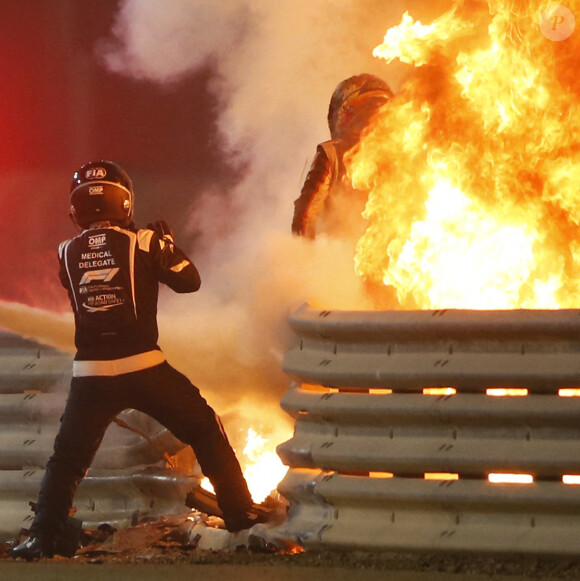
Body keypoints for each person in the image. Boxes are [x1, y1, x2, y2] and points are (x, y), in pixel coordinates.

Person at [10, 160, 262, 560]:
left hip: (89, 374)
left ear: (76, 208)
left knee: (67, 461)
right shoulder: (145, 241)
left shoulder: (65, 251)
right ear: (124, 201)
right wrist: (167, 244)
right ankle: (241, 515)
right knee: (204, 427)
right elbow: (190, 281)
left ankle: (42, 537)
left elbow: (90, 269)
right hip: (143, 366)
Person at [292, 73, 394, 239]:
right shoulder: (332, 154)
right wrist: (305, 258)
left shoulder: (404, 156)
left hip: (392, 255)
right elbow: (306, 215)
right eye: (370, 110)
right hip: (340, 255)